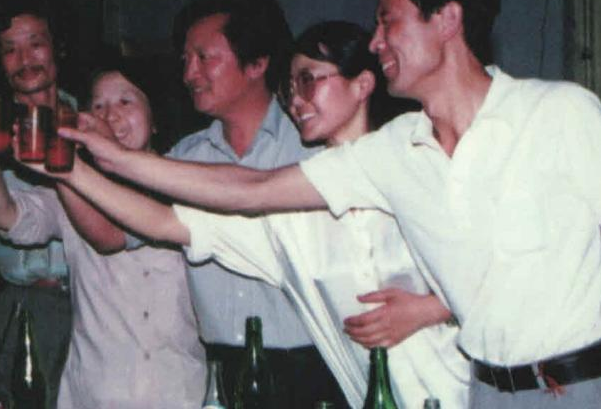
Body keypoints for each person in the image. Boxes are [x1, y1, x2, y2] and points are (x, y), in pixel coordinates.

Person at [64, 0, 601, 408]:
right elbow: (251, 190)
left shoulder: (558, 112)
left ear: (447, 20)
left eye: (388, 20)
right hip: (484, 395)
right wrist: (101, 159)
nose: (375, 40)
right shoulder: (395, 151)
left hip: (583, 388)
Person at [47, 22, 470, 407]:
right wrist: (66, 169)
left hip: (470, 391)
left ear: (362, 84)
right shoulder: (293, 218)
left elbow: (495, 262)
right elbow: (165, 222)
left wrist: (434, 308)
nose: (296, 101)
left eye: (308, 81)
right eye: (289, 88)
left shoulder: (412, 149)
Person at [145, 0, 349, 407]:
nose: (189, 74)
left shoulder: (312, 148)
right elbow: (117, 231)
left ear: (257, 63)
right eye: (185, 60)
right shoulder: (184, 159)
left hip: (314, 367)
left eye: (204, 57)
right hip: (222, 370)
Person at [0, 60, 206, 408]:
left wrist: (65, 168)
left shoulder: (187, 182)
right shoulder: (74, 190)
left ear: (155, 117)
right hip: (94, 391)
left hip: (177, 389)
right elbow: (8, 218)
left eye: (125, 101)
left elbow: (109, 234)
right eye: (98, 106)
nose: (110, 116)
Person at [0, 0, 75, 408]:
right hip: (20, 305)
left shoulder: (90, 120)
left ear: (58, 48)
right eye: (10, 50)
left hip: (88, 301)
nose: (25, 59)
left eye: (36, 44)